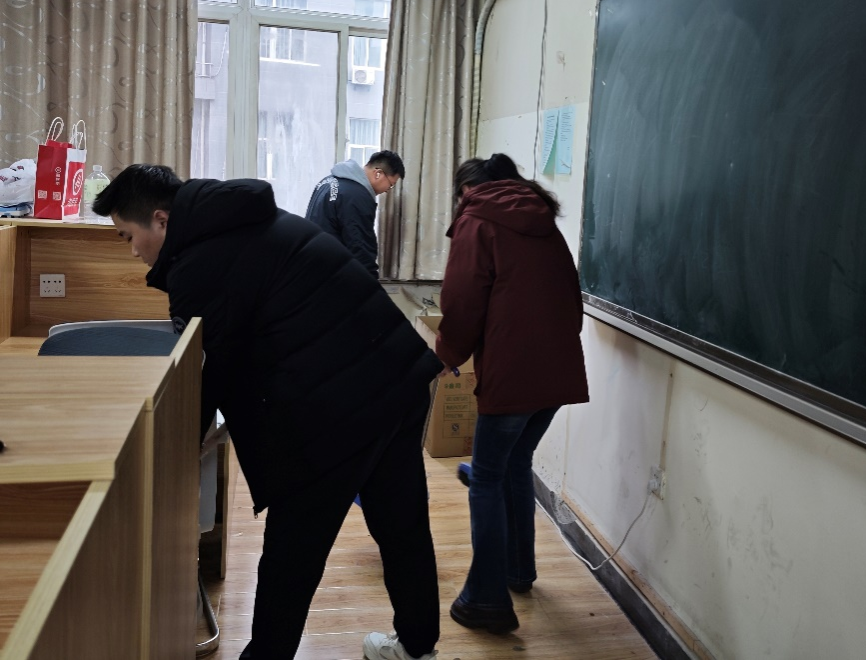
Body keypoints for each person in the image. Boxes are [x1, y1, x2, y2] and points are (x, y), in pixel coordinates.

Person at [93, 165, 440, 660]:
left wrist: (172, 451)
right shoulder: (245, 218)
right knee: (402, 526)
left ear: (161, 220)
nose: (132, 251)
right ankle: (418, 646)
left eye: (129, 236)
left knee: (291, 555)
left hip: (337, 410)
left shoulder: (199, 262)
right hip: (397, 378)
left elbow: (204, 373)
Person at [434, 153, 589, 635]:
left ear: (467, 190)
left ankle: (486, 599)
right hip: (557, 370)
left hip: (514, 372)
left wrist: (448, 354)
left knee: (485, 477)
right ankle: (519, 571)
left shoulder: (477, 221)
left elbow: (462, 300)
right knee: (516, 463)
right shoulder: (543, 220)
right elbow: (573, 296)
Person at [305, 150, 405, 279]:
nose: (387, 190)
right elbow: (359, 244)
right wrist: (370, 282)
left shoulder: (327, 181)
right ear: (378, 174)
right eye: (391, 185)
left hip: (312, 264)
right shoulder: (357, 196)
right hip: (331, 272)